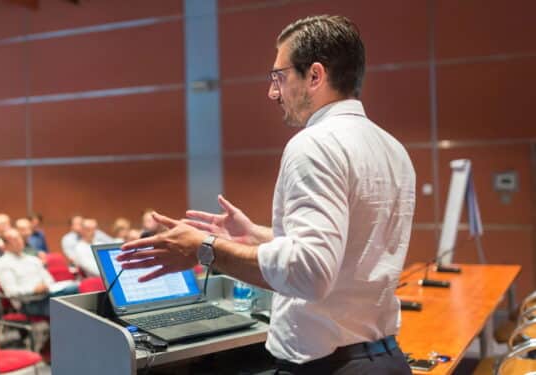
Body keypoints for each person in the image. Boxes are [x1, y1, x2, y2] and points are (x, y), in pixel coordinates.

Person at [119, 15, 415, 375]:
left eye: (279, 76)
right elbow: (344, 251)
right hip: (383, 358)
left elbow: (310, 273)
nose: (272, 92)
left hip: (328, 367)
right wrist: (254, 236)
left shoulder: (314, 144)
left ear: (315, 76)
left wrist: (205, 248)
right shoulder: (392, 148)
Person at [0, 228, 77, 317]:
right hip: (28, 303)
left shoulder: (32, 259)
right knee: (70, 309)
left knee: (75, 289)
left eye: (19, 238)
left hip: (47, 295)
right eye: (14, 240)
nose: (19, 241)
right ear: (6, 245)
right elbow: (11, 292)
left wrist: (45, 285)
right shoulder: (4, 264)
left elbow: (49, 279)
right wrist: (34, 289)